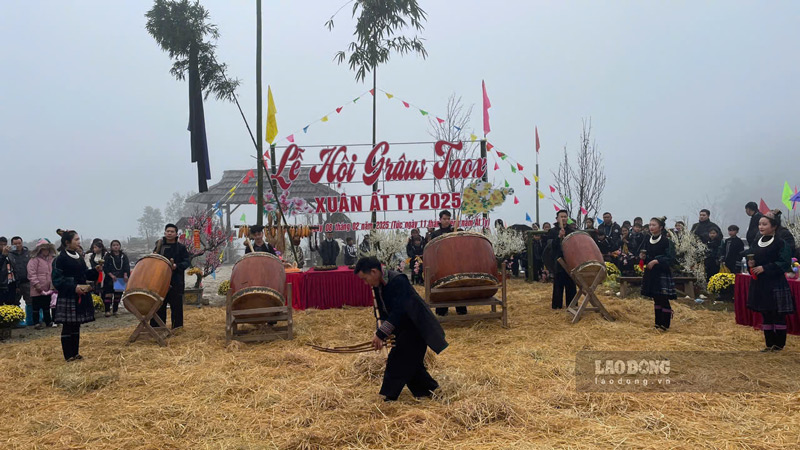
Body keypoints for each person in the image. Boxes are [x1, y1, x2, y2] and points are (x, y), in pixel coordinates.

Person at [354, 256, 447, 401]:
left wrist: (381, 333)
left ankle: (389, 397)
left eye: (365, 279)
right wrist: (380, 330)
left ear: (374, 272)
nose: (366, 283)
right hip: (402, 328)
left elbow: (399, 311)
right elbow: (382, 312)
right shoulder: (378, 286)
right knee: (411, 364)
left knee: (397, 360)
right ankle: (431, 391)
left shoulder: (398, 280)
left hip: (416, 326)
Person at [746, 211, 794, 351]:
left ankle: (779, 344)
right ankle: (769, 344)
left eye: (764, 224)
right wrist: (752, 265)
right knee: (765, 313)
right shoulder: (757, 242)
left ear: (774, 227)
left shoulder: (780, 243)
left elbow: (784, 263)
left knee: (777, 314)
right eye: (760, 224)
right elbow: (753, 258)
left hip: (775, 283)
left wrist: (765, 268)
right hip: (760, 284)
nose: (761, 227)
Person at [52, 230, 102, 361]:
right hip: (68, 295)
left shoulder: (78, 257)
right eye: (76, 239)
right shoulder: (60, 259)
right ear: (67, 242)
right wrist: (74, 287)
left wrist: (95, 271)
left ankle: (75, 353)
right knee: (68, 325)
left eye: (79, 239)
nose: (79, 242)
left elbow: (84, 274)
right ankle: (68, 355)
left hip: (80, 293)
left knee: (76, 324)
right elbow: (57, 280)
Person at [639, 217, 677, 331]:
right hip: (651, 273)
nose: (651, 227)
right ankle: (657, 323)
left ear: (661, 227)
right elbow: (644, 255)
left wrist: (657, 261)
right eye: (650, 225)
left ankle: (665, 325)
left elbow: (671, 258)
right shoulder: (647, 240)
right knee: (656, 298)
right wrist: (643, 258)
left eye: (654, 225)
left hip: (662, 272)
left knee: (663, 298)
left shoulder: (666, 241)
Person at [151, 224, 191, 330]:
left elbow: (187, 261)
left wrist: (177, 266)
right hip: (160, 280)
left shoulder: (181, 247)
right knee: (159, 305)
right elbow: (153, 260)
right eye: (167, 231)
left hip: (176, 280)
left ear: (176, 234)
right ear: (165, 232)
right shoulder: (159, 246)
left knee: (176, 306)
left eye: (172, 231)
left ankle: (177, 328)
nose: (169, 233)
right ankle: (157, 328)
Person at [428, 211, 464, 316]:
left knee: (457, 286)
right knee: (443, 286)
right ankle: (442, 310)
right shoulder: (436, 234)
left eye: (448, 219)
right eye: (444, 219)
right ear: (440, 219)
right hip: (442, 264)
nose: (446, 221)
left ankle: (461, 309)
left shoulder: (455, 231)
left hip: (455, 263)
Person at [547, 210, 577, 309]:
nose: (563, 218)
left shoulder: (572, 231)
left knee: (571, 284)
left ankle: (572, 305)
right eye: (561, 217)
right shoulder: (552, 231)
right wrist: (559, 236)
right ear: (557, 218)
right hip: (557, 260)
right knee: (558, 285)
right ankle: (557, 306)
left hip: (569, 260)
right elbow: (550, 246)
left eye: (565, 217)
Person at [26, 239, 56, 329]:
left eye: (47, 249)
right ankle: (36, 322)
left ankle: (48, 321)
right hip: (37, 288)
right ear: (39, 250)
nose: (46, 251)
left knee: (47, 306)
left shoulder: (52, 259)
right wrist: (36, 284)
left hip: (48, 287)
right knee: (36, 307)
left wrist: (53, 285)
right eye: (43, 249)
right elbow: (31, 273)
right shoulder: (34, 260)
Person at [103, 240, 130, 317]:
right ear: (111, 247)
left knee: (118, 295)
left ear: (120, 246)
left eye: (117, 245)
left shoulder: (123, 256)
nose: (116, 246)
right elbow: (106, 267)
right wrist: (111, 275)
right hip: (110, 278)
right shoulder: (108, 256)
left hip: (120, 277)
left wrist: (125, 275)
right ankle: (107, 310)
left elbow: (126, 266)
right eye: (114, 245)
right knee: (108, 294)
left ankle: (115, 310)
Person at [6, 236, 31, 308]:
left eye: (19, 243)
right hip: (15, 283)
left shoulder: (28, 253)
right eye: (15, 244)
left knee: (30, 302)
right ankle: (17, 318)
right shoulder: (9, 255)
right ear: (12, 244)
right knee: (14, 302)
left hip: (27, 281)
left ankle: (29, 318)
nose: (18, 245)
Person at [0, 237, 13, 305]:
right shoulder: (3, 255)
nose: (3, 247)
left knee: (10, 305)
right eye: (1, 245)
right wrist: (3, 255)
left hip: (10, 284)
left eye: (4, 245)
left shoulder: (10, 254)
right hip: (1, 284)